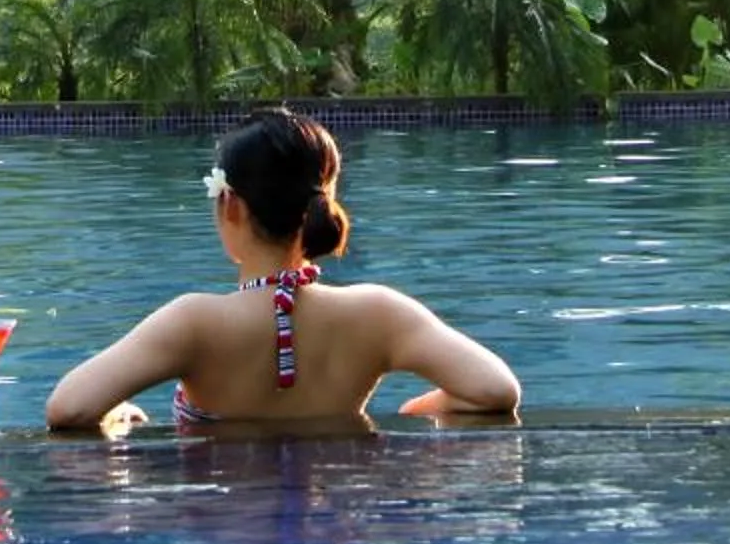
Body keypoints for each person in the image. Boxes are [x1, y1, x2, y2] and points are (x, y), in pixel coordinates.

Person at [44, 105, 521, 430]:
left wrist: (116, 416)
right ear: (323, 200)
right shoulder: (379, 314)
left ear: (230, 205)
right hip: (333, 537)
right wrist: (425, 407)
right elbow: (495, 390)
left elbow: (67, 408)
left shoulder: (194, 323)